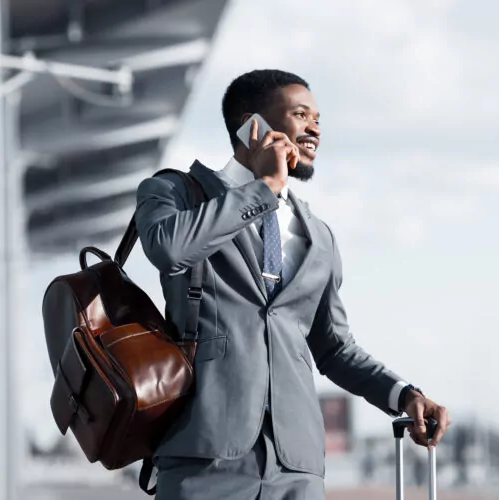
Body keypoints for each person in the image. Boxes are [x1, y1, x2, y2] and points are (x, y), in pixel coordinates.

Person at [135, 69, 451, 500]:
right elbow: (168, 249)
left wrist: (402, 394)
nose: (315, 128)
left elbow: (334, 347)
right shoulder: (177, 193)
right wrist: (263, 188)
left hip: (296, 467)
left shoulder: (318, 235)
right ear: (253, 126)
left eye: (318, 117)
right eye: (301, 114)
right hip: (203, 458)